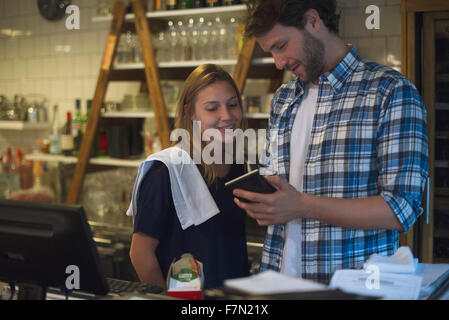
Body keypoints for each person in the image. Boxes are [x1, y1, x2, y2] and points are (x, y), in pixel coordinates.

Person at [233, 0, 429, 284]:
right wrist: (265, 203)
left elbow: (401, 210)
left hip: (350, 288)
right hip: (278, 281)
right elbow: (280, 189)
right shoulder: (283, 99)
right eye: (271, 52)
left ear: (313, 21)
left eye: (281, 45)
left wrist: (300, 205)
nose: (279, 63)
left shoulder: (390, 92)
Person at [128, 64, 249, 291]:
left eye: (233, 105)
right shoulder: (166, 169)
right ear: (190, 112)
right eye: (212, 108)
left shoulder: (238, 165)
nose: (228, 116)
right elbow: (140, 253)